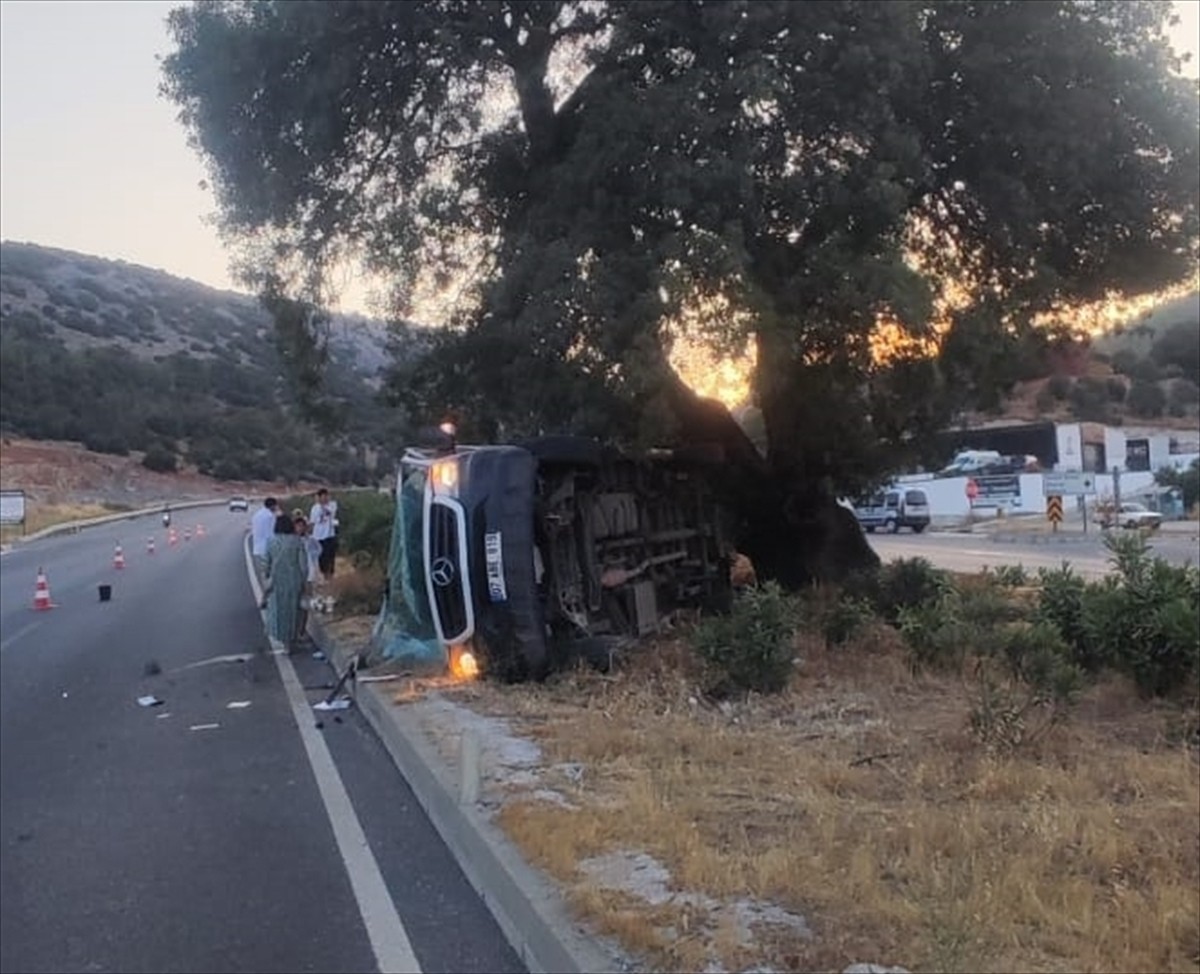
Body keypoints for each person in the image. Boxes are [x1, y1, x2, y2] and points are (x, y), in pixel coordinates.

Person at [259, 514, 308, 652]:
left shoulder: (270, 541)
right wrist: (304, 582)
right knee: (293, 612)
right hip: (294, 581)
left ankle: (283, 640)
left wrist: (266, 577)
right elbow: (303, 565)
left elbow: (265, 563)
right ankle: (292, 640)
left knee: (279, 611)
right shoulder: (297, 541)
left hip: (277, 581)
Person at [309, 488, 340, 583]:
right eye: (323, 496)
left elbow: (330, 513)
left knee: (330, 557)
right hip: (318, 536)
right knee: (321, 557)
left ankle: (330, 576)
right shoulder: (314, 508)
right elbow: (313, 521)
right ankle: (322, 576)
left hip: (329, 535)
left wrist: (323, 505)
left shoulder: (332, 505)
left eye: (326, 496)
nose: (325, 498)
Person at [250, 497, 279, 581]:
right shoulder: (270, 516)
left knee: (262, 574)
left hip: (257, 548)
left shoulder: (256, 515)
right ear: (273, 506)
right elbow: (272, 533)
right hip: (267, 548)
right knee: (269, 573)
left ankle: (265, 589)